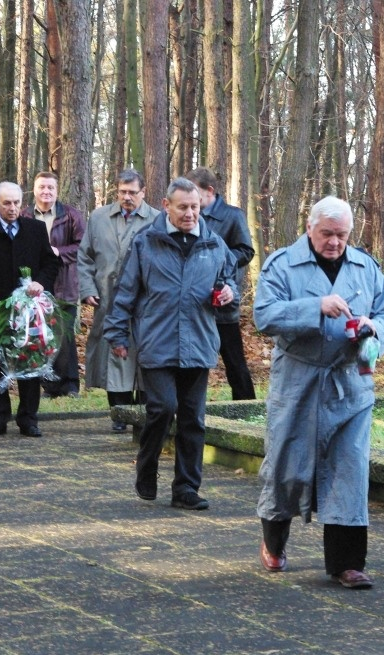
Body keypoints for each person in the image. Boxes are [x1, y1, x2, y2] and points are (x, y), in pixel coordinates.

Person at [253, 196, 384, 589]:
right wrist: (315, 306)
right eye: (327, 234)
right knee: (287, 467)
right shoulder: (282, 264)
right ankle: (274, 540)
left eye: (342, 235)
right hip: (298, 381)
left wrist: (375, 330)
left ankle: (346, 564)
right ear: (309, 228)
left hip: (350, 382)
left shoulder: (365, 267)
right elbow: (264, 315)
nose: (335, 242)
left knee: (350, 469)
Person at [103, 177, 237, 511]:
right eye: (183, 207)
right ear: (167, 206)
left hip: (199, 343)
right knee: (162, 408)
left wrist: (228, 295)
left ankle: (186, 488)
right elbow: (126, 291)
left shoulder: (215, 245)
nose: (191, 213)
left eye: (195, 207)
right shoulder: (146, 242)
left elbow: (230, 291)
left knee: (193, 418)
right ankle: (146, 467)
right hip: (157, 340)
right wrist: (118, 334)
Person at [0, 181, 60, 439]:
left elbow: (51, 263)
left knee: (30, 364)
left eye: (17, 202)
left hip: (29, 313)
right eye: (7, 203)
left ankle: (28, 419)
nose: (12, 208)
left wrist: (41, 282)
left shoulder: (35, 229)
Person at [78, 168, 160, 431]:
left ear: (143, 192)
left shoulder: (157, 220)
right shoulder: (99, 217)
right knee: (113, 353)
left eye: (132, 193)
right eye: (122, 192)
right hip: (107, 297)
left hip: (145, 301)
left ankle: (146, 414)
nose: (127, 197)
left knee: (143, 352)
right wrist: (87, 288)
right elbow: (84, 257)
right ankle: (119, 415)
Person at [185, 167, 256, 400]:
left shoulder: (233, 215)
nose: (191, 198)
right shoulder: (188, 217)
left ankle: (246, 405)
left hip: (223, 298)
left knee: (234, 359)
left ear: (210, 191)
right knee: (191, 361)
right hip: (194, 302)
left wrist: (218, 260)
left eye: (195, 192)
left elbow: (246, 251)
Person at [20, 171, 86, 398]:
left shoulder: (71, 216)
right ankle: (50, 385)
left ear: (57, 191)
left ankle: (70, 384)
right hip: (36, 284)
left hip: (64, 283)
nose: (46, 192)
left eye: (50, 188)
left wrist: (60, 252)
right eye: (42, 187)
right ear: (34, 190)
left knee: (65, 335)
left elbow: (83, 247)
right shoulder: (25, 215)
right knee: (42, 335)